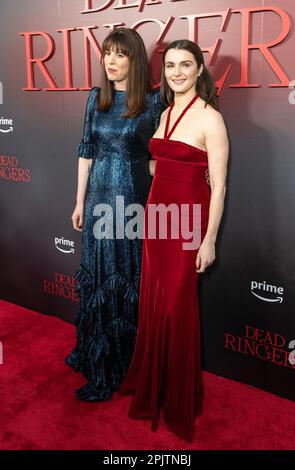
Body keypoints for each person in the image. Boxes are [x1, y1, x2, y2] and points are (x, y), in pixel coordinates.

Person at [120, 39, 229, 441]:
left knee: (175, 308)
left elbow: (218, 187)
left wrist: (209, 239)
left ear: (200, 70)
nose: (177, 72)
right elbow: (161, 163)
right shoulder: (164, 113)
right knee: (154, 304)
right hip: (157, 222)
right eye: (170, 66)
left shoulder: (210, 119)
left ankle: (179, 398)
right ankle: (155, 387)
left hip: (188, 227)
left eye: (186, 65)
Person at [66, 28, 164, 401]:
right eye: (107, 53)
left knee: (125, 277)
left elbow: (160, 157)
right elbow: (85, 151)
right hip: (95, 202)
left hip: (130, 206)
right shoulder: (96, 98)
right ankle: (94, 355)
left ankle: (122, 364)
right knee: (98, 276)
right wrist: (78, 202)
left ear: (134, 60)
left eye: (119, 54)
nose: (110, 61)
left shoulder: (152, 102)